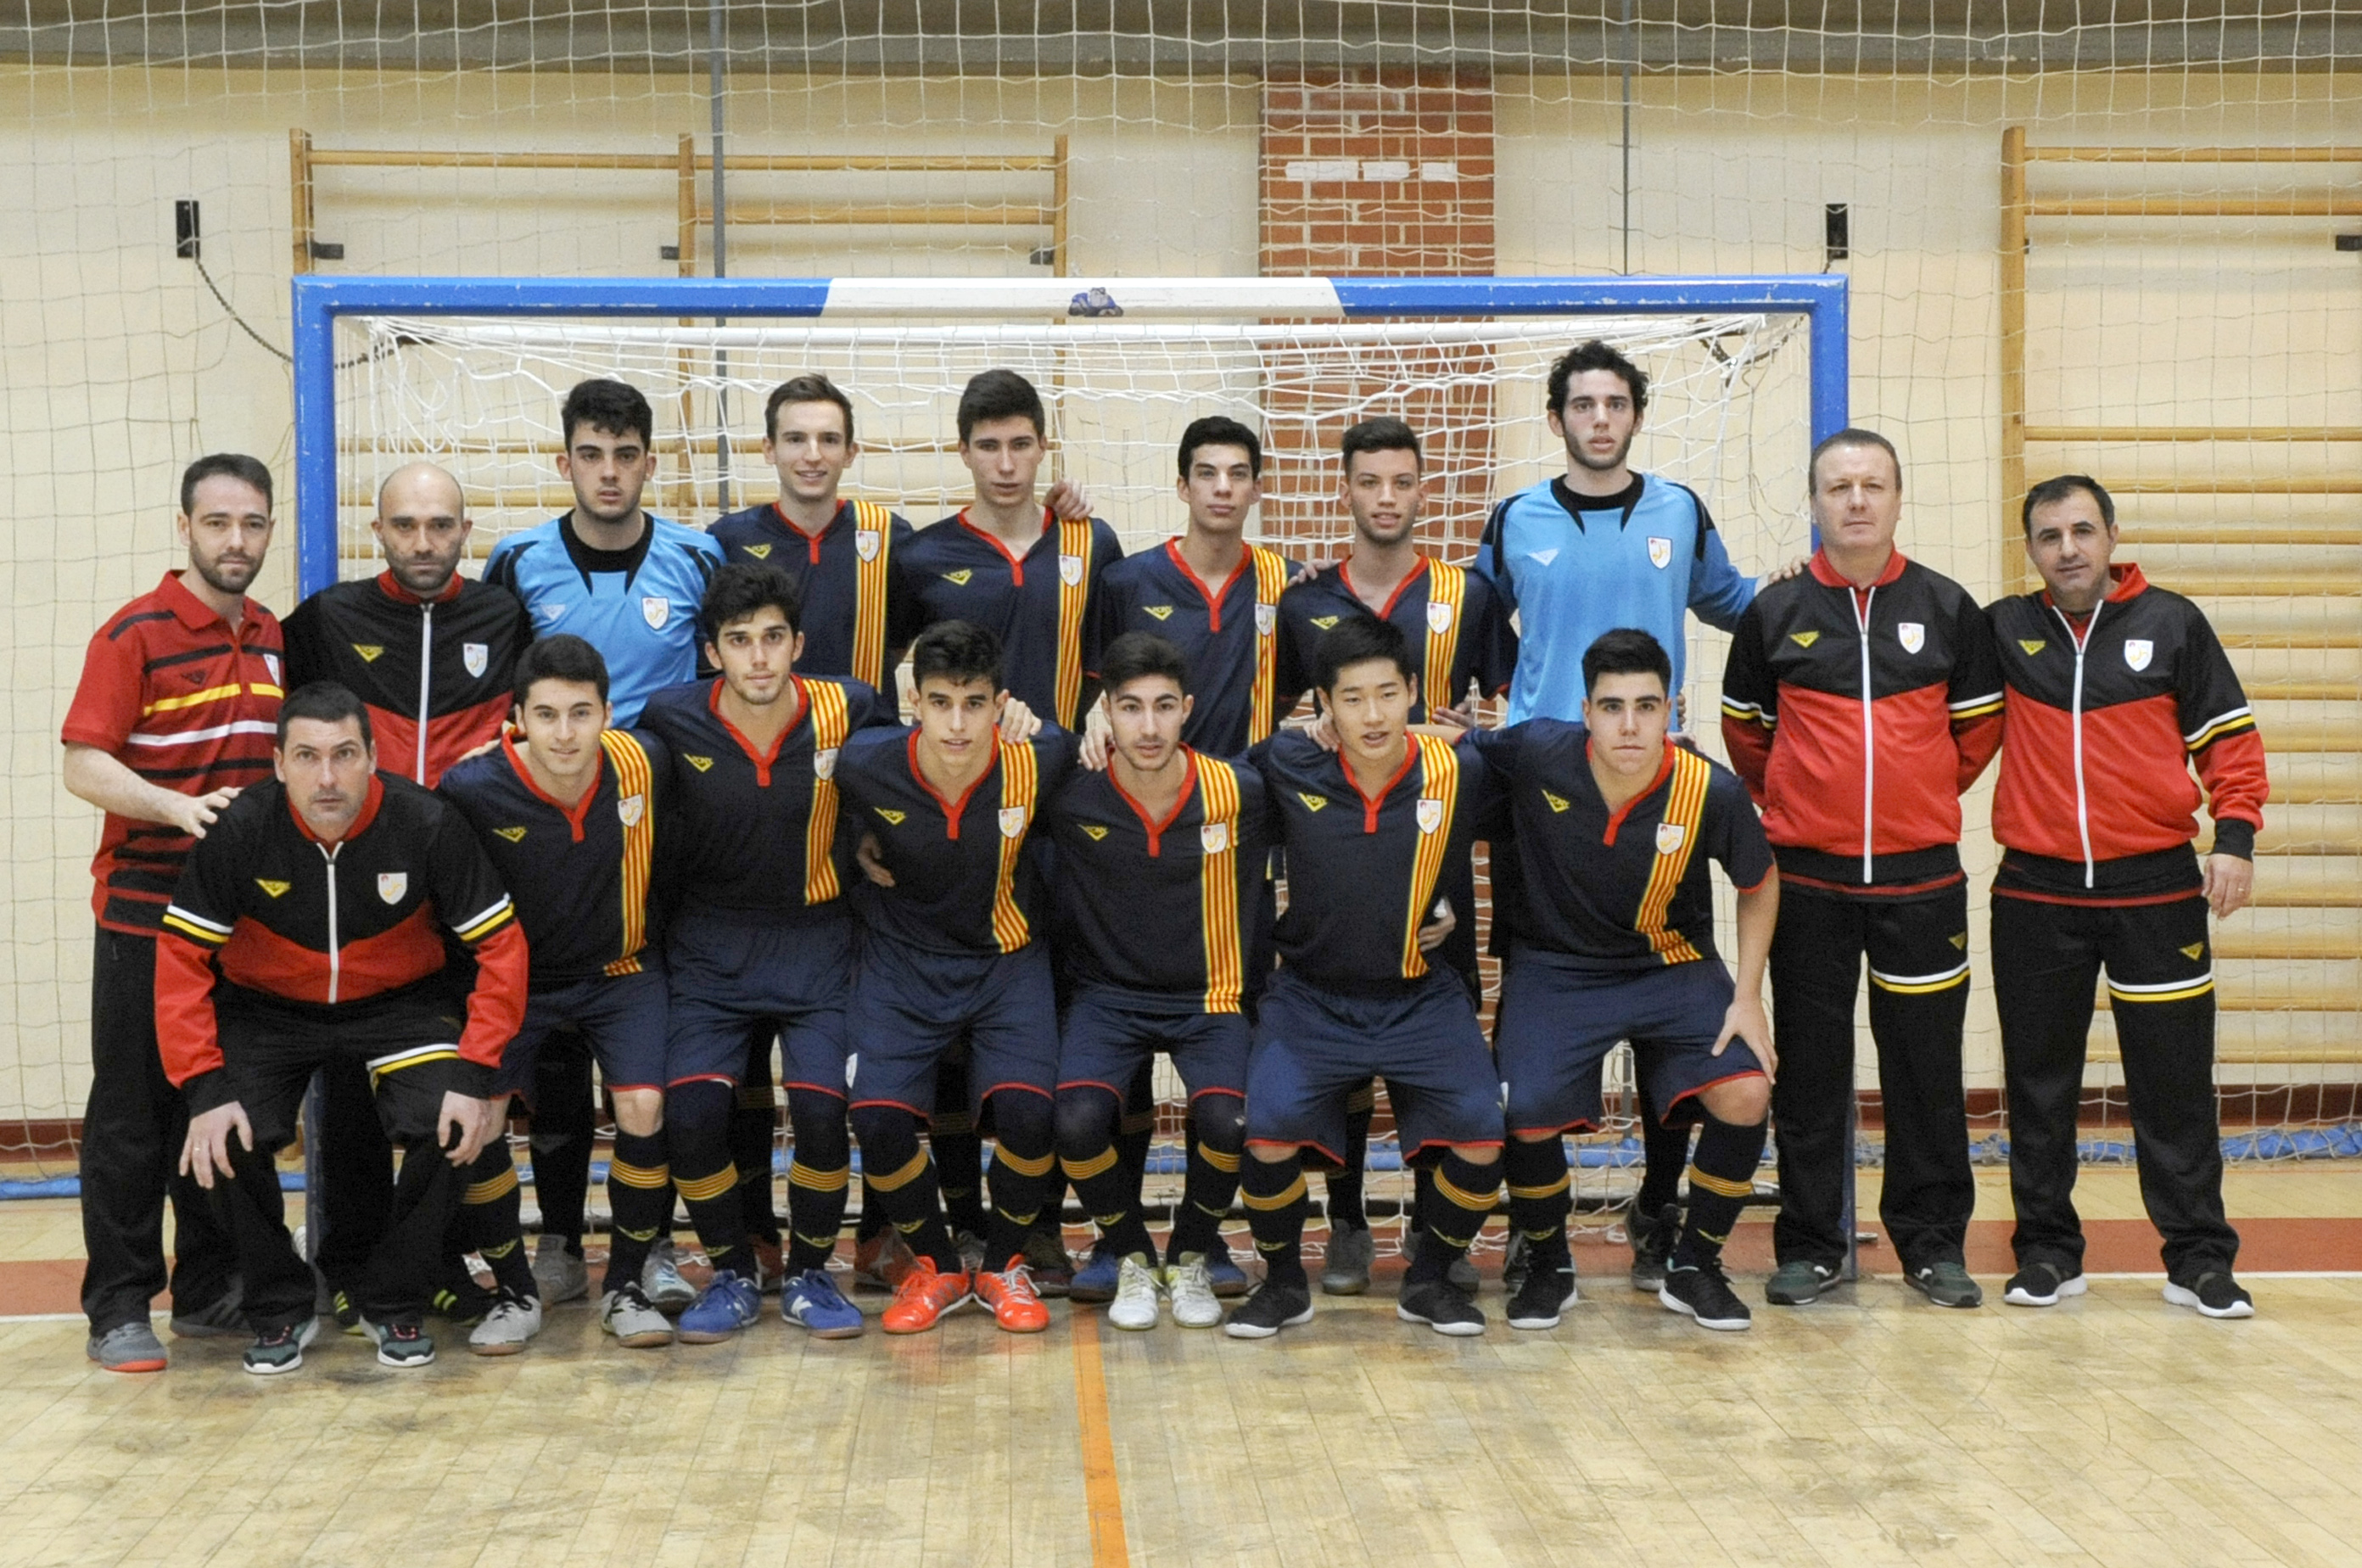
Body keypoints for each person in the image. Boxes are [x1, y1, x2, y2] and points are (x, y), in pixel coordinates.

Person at [1475, 340, 1768, 1296]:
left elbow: (1733, 604)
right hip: (1542, 786)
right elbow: (1472, 625)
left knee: (1667, 986)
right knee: (1543, 980)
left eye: (1615, 403)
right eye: (1581, 404)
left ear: (1636, 415)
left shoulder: (1677, 511)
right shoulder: (1515, 519)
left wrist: (1815, 601)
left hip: (1657, 785)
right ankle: (1535, 1230)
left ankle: (1660, 1201)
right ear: (1556, 417)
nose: (1598, 418)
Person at [155, 682, 528, 1374]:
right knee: (218, 1132)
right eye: (307, 756)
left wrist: (478, 1071)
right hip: (269, 1010)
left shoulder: (428, 823)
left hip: (401, 1006)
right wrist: (202, 1086)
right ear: (277, 764)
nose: (326, 777)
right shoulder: (241, 829)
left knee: (458, 1125)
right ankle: (278, 1308)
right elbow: (180, 957)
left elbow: (503, 947)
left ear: (374, 757)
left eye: (344, 755)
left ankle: (393, 1299)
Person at [1720, 428, 2003, 1309]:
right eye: (1838, 486)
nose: (1855, 500)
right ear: (1814, 502)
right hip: (1809, 882)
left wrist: (1912, 805)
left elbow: (1976, 734)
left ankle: (1931, 1246)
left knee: (1925, 1070)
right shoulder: (1773, 615)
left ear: (1897, 497)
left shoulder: (1951, 609)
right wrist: (1813, 808)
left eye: (1871, 484)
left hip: (1921, 883)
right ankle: (1811, 1244)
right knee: (1809, 1072)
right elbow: (1747, 738)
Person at [1988, 475, 2266, 1319]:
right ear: (2031, 551)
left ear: (2112, 537)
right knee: (2039, 1086)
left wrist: (2236, 840)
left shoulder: (2172, 623)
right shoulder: (2003, 630)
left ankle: (2198, 1260)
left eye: (2081, 530)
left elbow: (2230, 741)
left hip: (2156, 890)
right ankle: (2046, 1252)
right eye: (2048, 536)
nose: (2066, 548)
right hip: (2035, 892)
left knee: (2174, 1085)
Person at [484, 378, 723, 1311]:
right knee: (550, 1074)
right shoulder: (517, 561)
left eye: (627, 455)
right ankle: (555, 1242)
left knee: (643, 1077)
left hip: (652, 850)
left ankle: (652, 1245)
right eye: (592, 453)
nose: (610, 472)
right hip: (546, 848)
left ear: (650, 464)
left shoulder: (697, 560)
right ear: (565, 461)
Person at [1464, 629, 1778, 1333]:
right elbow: (1445, 747)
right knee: (1520, 1107)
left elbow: (1760, 883)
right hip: (1558, 968)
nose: (1629, 724)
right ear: (1585, 711)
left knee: (1747, 1087)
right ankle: (1549, 1260)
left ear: (1673, 708)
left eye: (1646, 705)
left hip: (1672, 964)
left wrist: (1748, 996)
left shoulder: (1710, 788)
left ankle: (1695, 1264)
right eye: (1612, 706)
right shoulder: (1537, 751)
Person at [282, 459, 533, 1334]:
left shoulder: (504, 615)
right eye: (405, 526)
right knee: (347, 1085)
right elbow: (293, 736)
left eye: (440, 526)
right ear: (379, 532)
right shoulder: (326, 620)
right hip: (355, 882)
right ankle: (347, 1263)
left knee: (461, 1088)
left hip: (466, 877)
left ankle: (439, 1262)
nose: (423, 542)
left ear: (465, 533)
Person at [1273, 415, 1518, 1295]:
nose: (1386, 498)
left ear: (1423, 491)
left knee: (1434, 1043)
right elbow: (1280, 729)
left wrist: (1474, 731)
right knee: (1336, 1049)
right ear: (1344, 491)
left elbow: (1505, 714)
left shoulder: (1470, 595)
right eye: (1369, 482)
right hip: (1337, 855)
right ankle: (1344, 1220)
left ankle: (1429, 1236)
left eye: (1401, 483)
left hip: (1435, 859)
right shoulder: (1302, 602)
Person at [635, 563, 899, 1342]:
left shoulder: (846, 705)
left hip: (818, 942)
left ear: (798, 644)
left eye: (773, 639)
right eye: (740, 641)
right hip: (709, 947)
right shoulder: (670, 718)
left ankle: (815, 1272)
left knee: (821, 1114)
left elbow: (903, 773)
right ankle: (732, 1272)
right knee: (691, 1117)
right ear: (711, 652)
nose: (758, 658)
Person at [60, 453, 279, 1372]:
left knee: (218, 1104)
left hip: (240, 928)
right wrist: (175, 807)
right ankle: (117, 1304)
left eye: (253, 524)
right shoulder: (134, 634)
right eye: (219, 523)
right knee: (133, 1116)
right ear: (184, 528)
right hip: (146, 919)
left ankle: (209, 1291)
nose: (237, 541)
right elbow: (83, 763)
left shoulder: (273, 633)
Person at [1228, 616, 1503, 1341]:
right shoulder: (1286, 764)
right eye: (1352, 698)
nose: (1373, 715)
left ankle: (1430, 1279)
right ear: (1324, 703)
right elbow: (1208, 785)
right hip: (1312, 996)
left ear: (1413, 691)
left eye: (1388, 694)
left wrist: (1443, 905)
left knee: (1483, 1129)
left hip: (1421, 994)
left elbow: (1532, 818)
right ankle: (1285, 1284)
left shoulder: (1458, 769)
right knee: (1265, 1131)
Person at [836, 620, 1079, 1335]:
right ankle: (938, 1267)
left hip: (1006, 962)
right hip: (900, 962)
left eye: (975, 703)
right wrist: (857, 843)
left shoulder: (1042, 757)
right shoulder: (863, 764)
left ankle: (1004, 1265)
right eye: (940, 702)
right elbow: (823, 816)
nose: (957, 722)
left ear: (1001, 703)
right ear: (913, 701)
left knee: (1035, 1116)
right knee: (876, 1119)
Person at [438, 635, 676, 1351]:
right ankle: (514, 1293)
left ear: (608, 712)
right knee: (479, 1120)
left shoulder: (646, 764)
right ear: (517, 718)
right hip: (520, 984)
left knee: (642, 1105)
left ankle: (628, 1285)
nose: (565, 733)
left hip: (622, 973)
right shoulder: (472, 788)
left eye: (581, 713)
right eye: (546, 715)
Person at [1047, 633, 1265, 1330]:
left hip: (1211, 997)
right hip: (1108, 998)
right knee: (1076, 1121)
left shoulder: (1241, 790)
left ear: (1188, 710)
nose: (1148, 726)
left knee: (1228, 1121)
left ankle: (1194, 1254)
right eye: (1130, 708)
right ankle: (1135, 1257)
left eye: (1164, 707)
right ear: (1104, 713)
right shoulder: (1070, 789)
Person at [897, 370, 1124, 733]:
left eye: (1020, 444)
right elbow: (880, 664)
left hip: (1056, 774)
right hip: (957, 774)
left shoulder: (1093, 545)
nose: (1005, 465)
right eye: (989, 446)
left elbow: (1106, 669)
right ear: (964, 452)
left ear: (1042, 447)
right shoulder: (921, 556)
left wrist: (1054, 732)